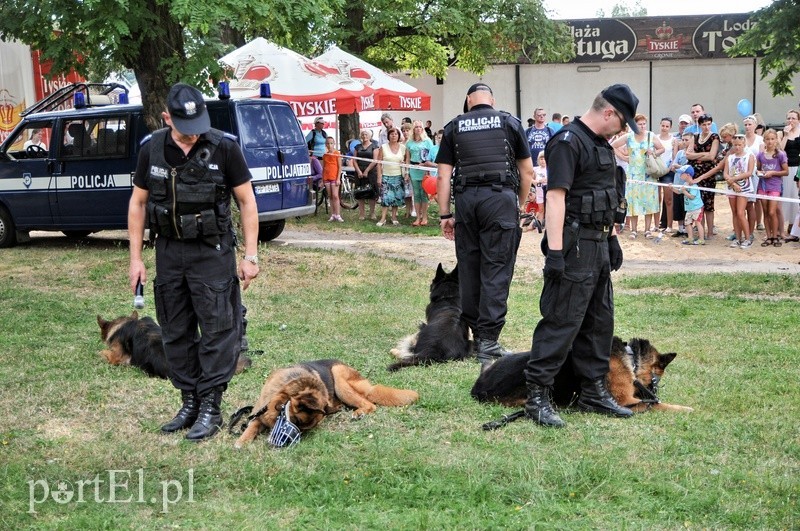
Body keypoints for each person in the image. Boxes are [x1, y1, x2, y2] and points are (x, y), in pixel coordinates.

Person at [128, 82, 260, 441]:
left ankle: (211, 407)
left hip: (212, 251)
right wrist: (136, 258)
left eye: (196, 127)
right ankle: (189, 401)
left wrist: (250, 255)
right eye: (183, 130)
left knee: (218, 329)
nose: (191, 136)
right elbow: (138, 203)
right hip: (169, 251)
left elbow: (247, 201)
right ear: (166, 117)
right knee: (175, 329)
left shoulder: (224, 147)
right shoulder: (152, 149)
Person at [524, 83, 638, 428]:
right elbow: (556, 198)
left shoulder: (600, 144)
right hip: (573, 246)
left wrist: (612, 239)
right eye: (623, 122)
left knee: (599, 322)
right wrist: (555, 253)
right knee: (562, 320)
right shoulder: (567, 141)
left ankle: (592, 392)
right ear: (609, 113)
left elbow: (605, 198)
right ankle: (537, 397)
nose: (624, 130)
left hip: (599, 244)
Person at [435, 83, 533, 364]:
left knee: (470, 268)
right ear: (492, 99)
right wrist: (519, 204)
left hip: (467, 202)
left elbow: (443, 176)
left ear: (468, 101)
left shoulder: (454, 126)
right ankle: (488, 342)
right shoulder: (509, 122)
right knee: (497, 269)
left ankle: (478, 335)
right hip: (500, 201)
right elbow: (526, 171)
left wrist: (445, 215)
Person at [611, 113, 664, 239]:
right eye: (639, 124)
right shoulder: (629, 137)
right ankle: (634, 230)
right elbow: (612, 145)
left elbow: (661, 149)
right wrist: (623, 157)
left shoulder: (651, 135)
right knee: (633, 201)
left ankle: (647, 230)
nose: (642, 126)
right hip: (633, 174)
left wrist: (654, 153)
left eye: (644, 123)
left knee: (649, 202)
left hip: (648, 173)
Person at [686, 113, 720, 238]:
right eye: (704, 124)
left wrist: (697, 154)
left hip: (708, 174)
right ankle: (701, 231)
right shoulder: (695, 136)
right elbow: (688, 155)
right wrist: (702, 154)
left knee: (709, 205)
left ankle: (710, 231)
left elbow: (712, 156)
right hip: (695, 173)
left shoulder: (714, 137)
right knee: (698, 204)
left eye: (709, 124)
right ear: (700, 125)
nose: (706, 127)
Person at [756, 129, 789, 245]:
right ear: (764, 140)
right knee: (765, 212)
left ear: (776, 140)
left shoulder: (780, 154)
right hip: (763, 186)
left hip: (775, 186)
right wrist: (760, 173)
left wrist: (773, 173)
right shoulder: (760, 155)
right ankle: (769, 236)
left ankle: (775, 235)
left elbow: (786, 172)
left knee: (772, 211)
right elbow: (758, 169)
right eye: (767, 139)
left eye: (772, 139)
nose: (770, 142)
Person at [723, 134, 755, 249]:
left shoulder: (749, 156)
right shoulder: (730, 157)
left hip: (744, 188)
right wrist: (732, 183)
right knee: (735, 213)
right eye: (735, 145)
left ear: (744, 144)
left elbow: (749, 172)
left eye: (739, 145)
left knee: (741, 213)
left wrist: (734, 180)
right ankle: (737, 237)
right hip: (732, 187)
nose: (737, 147)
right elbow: (725, 173)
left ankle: (747, 238)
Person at [376, 127, 408, 226]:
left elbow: (407, 162)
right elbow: (379, 163)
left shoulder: (403, 148)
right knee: (385, 198)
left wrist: (407, 173)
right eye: (391, 134)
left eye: (396, 134)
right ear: (388, 136)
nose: (393, 136)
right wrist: (379, 176)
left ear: (398, 136)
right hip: (386, 175)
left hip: (398, 176)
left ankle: (394, 217)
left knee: (396, 198)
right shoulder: (383, 147)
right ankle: (383, 218)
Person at [406, 120, 435, 226]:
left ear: (422, 129)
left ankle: (425, 217)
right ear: (413, 129)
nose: (418, 129)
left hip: (424, 169)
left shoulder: (427, 141)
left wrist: (428, 168)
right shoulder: (409, 143)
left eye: (420, 127)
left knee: (424, 193)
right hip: (413, 169)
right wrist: (407, 172)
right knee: (416, 193)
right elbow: (408, 158)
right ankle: (418, 217)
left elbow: (431, 156)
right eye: (416, 127)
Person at [671, 165, 705, 245]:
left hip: (697, 208)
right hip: (689, 208)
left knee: (698, 223)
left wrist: (684, 191)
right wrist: (672, 188)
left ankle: (701, 239)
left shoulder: (694, 186)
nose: (680, 175)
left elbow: (692, 197)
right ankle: (690, 238)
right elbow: (679, 192)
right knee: (687, 223)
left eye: (682, 173)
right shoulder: (685, 184)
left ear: (688, 175)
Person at [780, 109, 800, 240]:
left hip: (798, 169)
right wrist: (786, 135)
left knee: (796, 198)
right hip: (787, 168)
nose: (791, 121)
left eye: (793, 118)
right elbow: (780, 151)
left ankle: (794, 226)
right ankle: (783, 225)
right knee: (785, 197)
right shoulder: (782, 133)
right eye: (789, 118)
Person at [351, 129, 379, 220]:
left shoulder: (374, 146)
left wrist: (367, 170)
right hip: (359, 171)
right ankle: (362, 213)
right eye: (362, 134)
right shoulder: (357, 147)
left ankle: (372, 213)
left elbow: (375, 160)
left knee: (372, 193)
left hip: (371, 172)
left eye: (366, 134)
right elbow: (354, 160)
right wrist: (358, 171)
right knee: (360, 193)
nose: (364, 136)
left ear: (370, 136)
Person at [322, 136, 343, 222]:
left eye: (331, 143)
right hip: (327, 177)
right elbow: (324, 167)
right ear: (325, 144)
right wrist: (323, 178)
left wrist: (338, 178)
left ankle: (338, 214)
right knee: (330, 196)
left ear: (334, 144)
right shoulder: (325, 155)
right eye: (328, 143)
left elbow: (340, 167)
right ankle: (332, 214)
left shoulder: (337, 153)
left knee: (335, 195)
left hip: (334, 177)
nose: (329, 145)